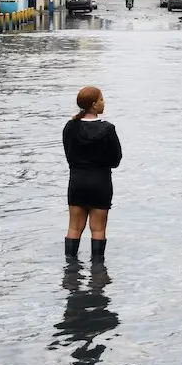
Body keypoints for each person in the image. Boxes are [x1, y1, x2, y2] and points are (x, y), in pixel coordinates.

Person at [62, 86, 122, 261]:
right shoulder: (108, 129)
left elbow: (69, 155)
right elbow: (116, 160)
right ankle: (98, 274)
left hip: (77, 182)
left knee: (74, 227)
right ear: (94, 105)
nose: (104, 103)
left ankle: (70, 271)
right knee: (98, 230)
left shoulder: (70, 127)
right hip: (100, 183)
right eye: (102, 99)